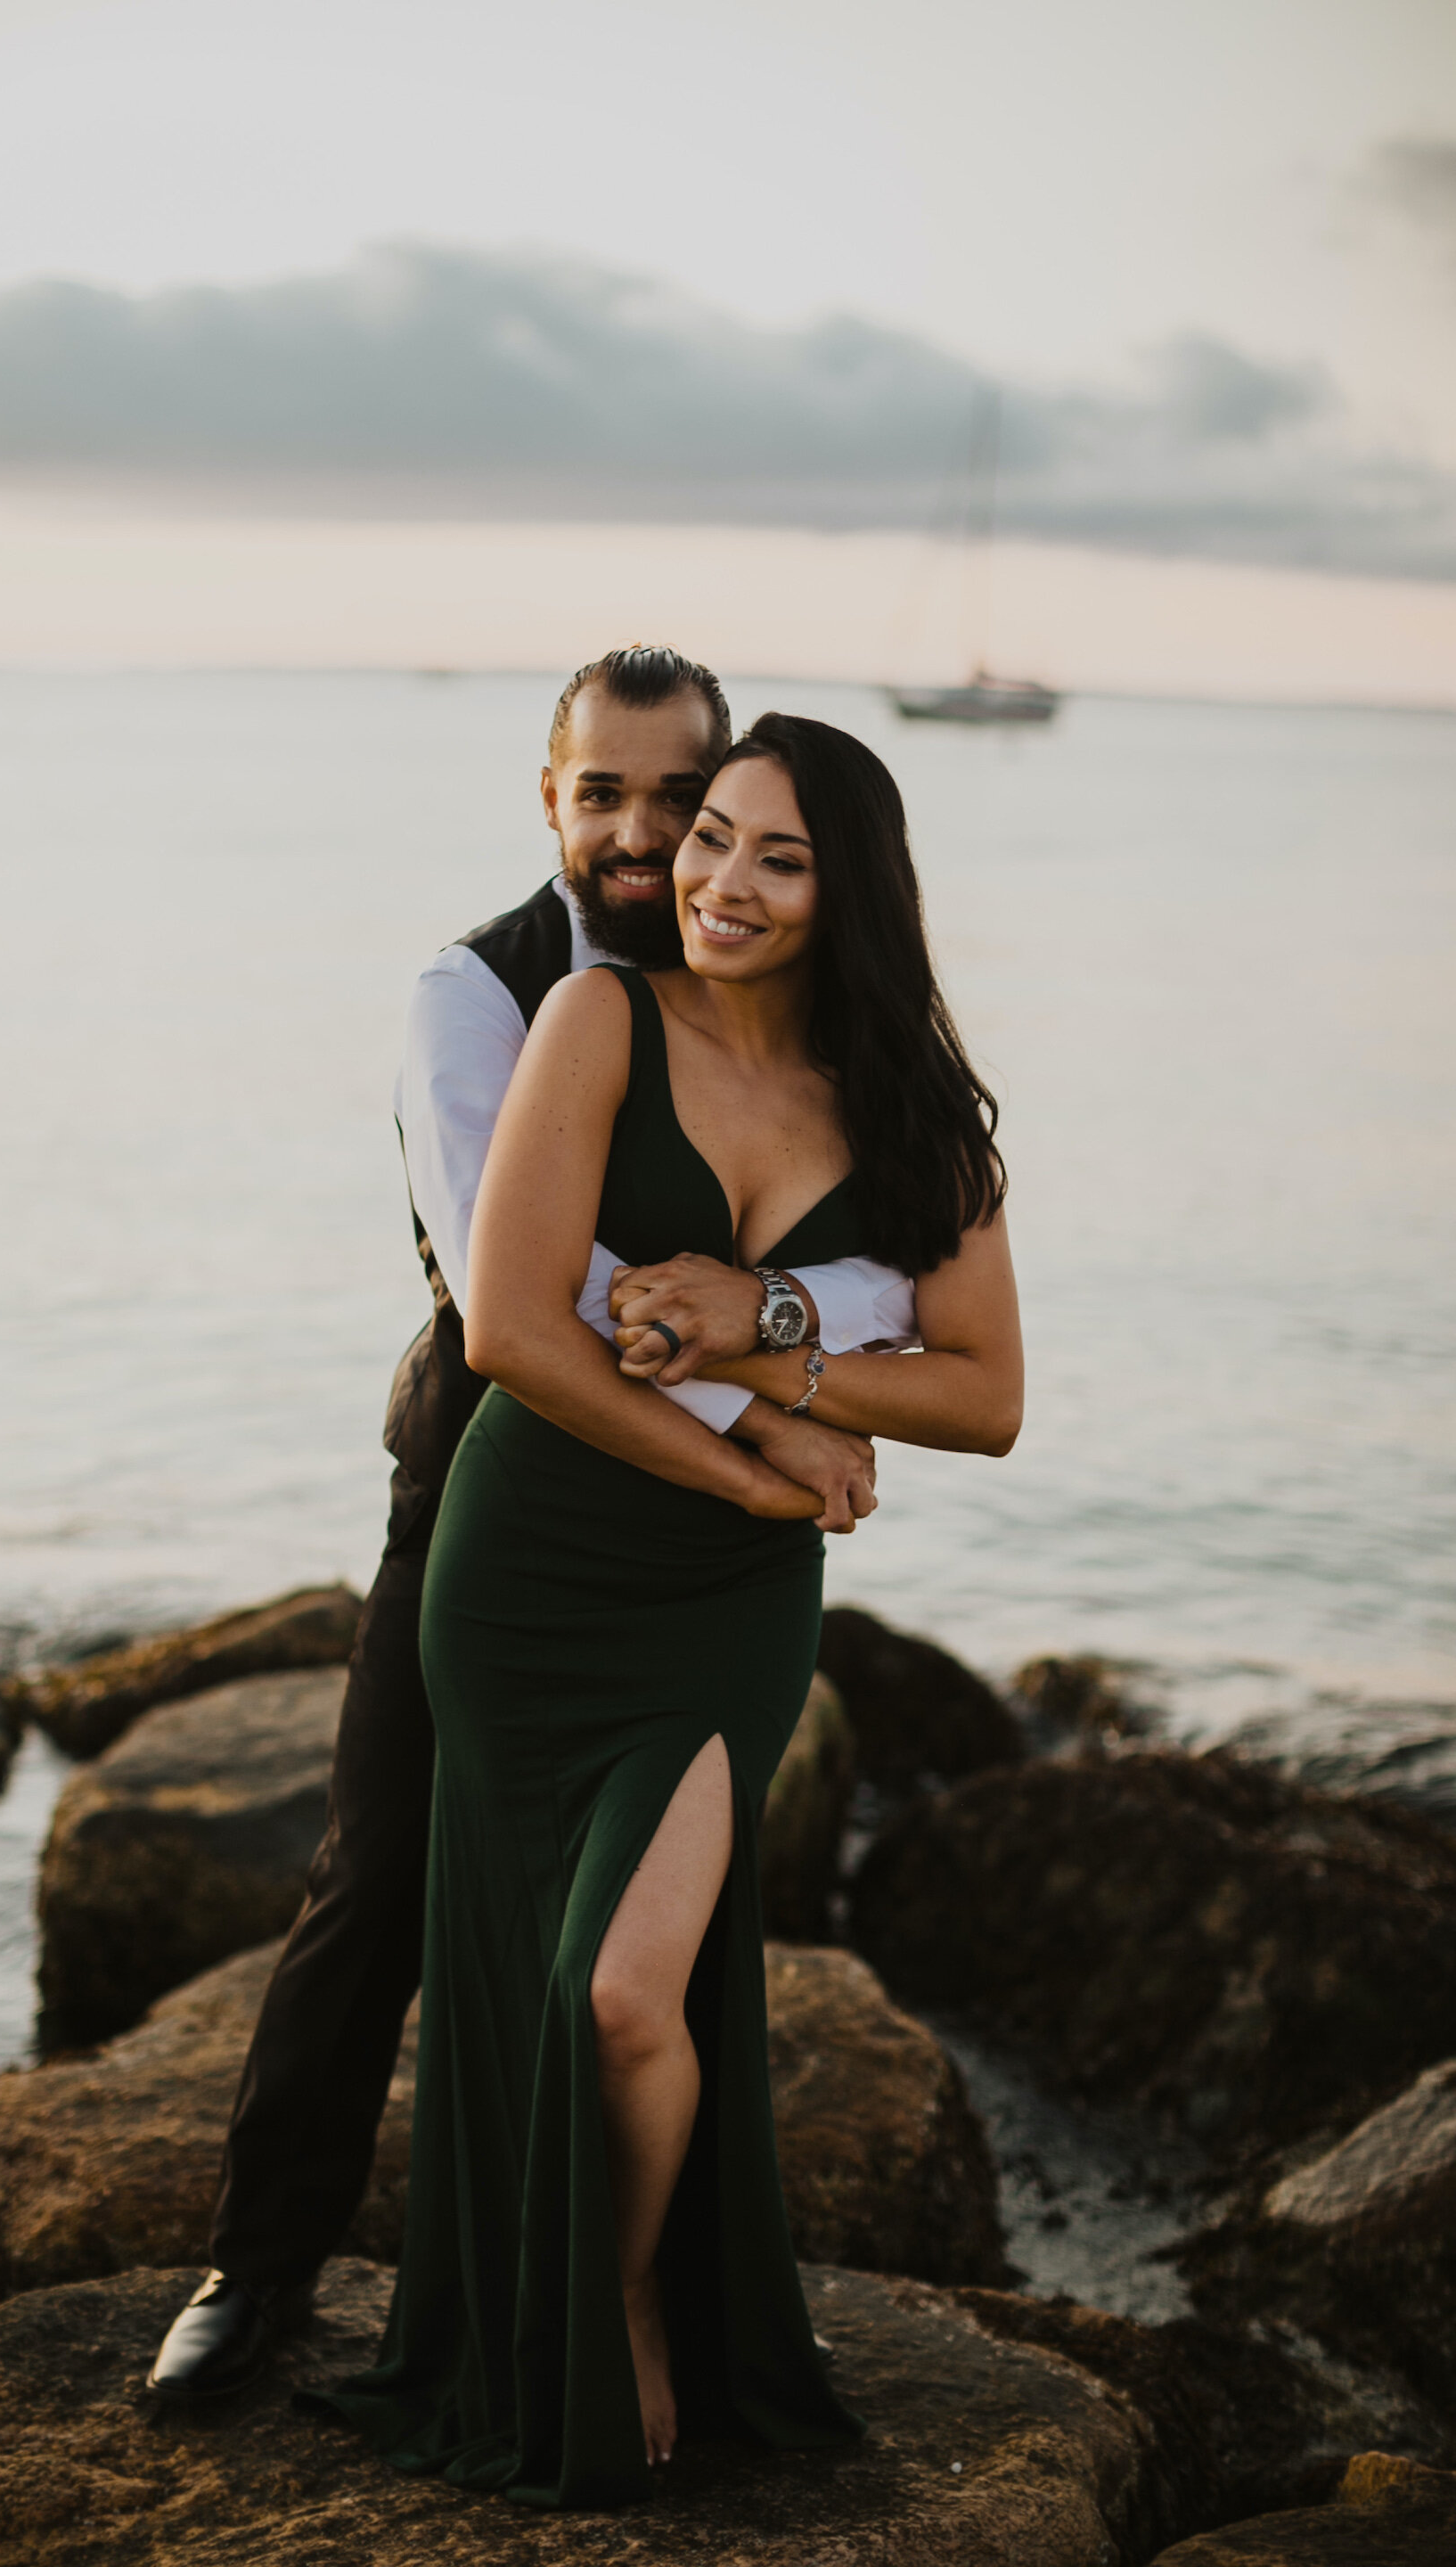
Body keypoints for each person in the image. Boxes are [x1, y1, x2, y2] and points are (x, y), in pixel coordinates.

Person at [149, 650, 918, 2399]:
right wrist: (771, 1423)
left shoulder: (776, 1001)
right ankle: (260, 2271)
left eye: (683, 797)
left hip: (700, 1557)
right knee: (389, 1874)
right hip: (494, 1505)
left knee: (633, 1938)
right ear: (550, 799)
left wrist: (804, 1375)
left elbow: (866, 1257)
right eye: (606, 793)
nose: (648, 835)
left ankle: (604, 2308)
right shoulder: (476, 992)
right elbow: (531, 1264)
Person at [316, 709, 1022, 2505]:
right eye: (710, 837)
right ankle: (583, 2301)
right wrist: (759, 1466)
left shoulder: (912, 1106)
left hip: (722, 1615)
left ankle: (628, 2285)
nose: (713, 879)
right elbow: (515, 1329)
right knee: (537, 1973)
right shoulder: (598, 1018)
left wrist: (772, 1331)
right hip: (536, 1562)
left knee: (632, 1995)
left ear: (849, 891)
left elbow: (985, 1394)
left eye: (775, 857)